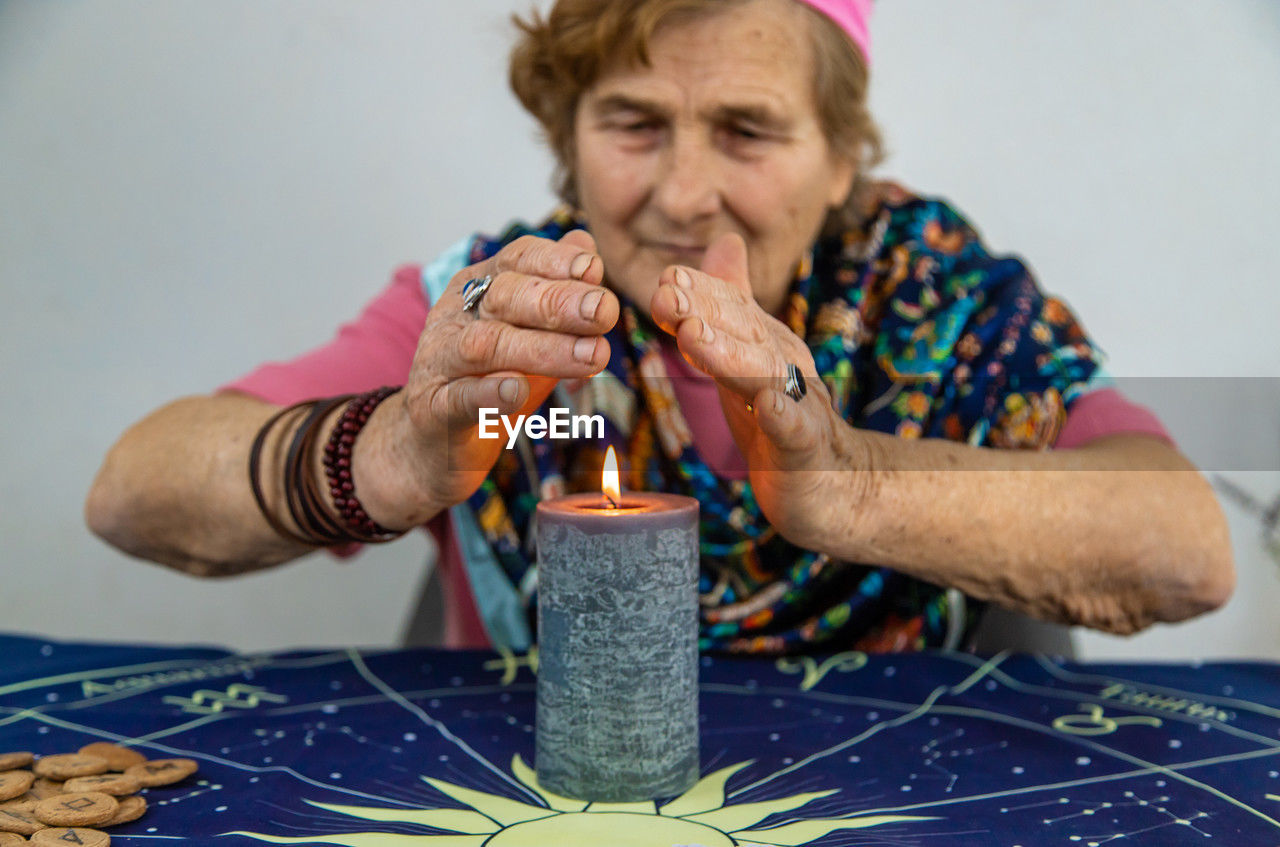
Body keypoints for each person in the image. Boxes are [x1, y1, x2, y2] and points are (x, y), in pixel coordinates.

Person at [86, 0, 1233, 654]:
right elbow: (134, 490)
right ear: (566, 141)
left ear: (840, 161)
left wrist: (842, 485)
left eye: (746, 131)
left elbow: (1183, 548)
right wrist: (386, 450)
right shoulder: (500, 311)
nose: (684, 194)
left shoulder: (944, 309)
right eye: (632, 122)